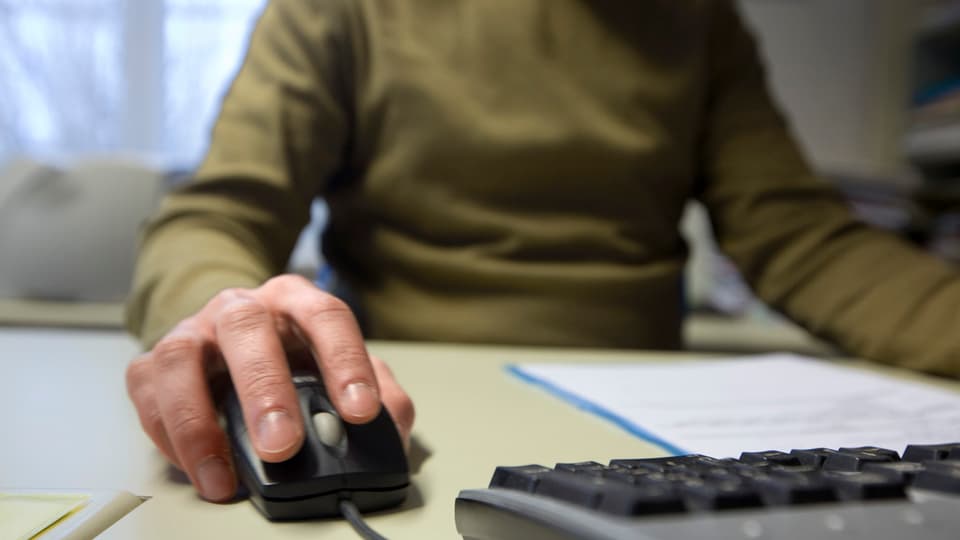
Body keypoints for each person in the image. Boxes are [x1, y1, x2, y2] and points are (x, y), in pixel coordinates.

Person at [124, 0, 960, 503]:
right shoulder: (343, 10)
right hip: (415, 409)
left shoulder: (696, 19)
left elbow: (802, 237)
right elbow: (221, 211)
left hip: (645, 432)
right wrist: (224, 308)